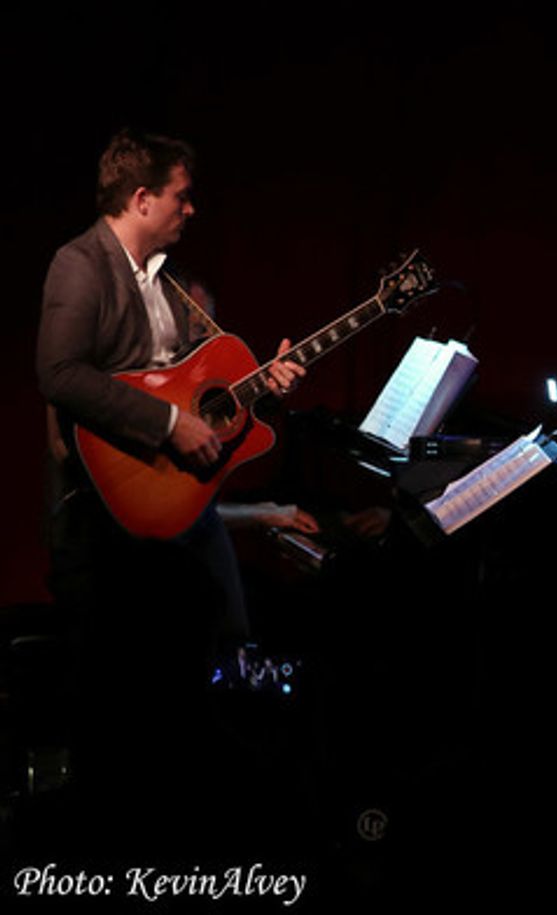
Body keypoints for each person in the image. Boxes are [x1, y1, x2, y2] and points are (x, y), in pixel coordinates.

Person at [34, 128, 304, 851]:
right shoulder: (79, 264)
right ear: (142, 196)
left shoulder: (172, 282)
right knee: (115, 711)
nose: (192, 209)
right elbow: (59, 374)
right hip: (104, 521)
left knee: (195, 693)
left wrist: (265, 390)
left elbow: (208, 400)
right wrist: (166, 425)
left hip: (176, 520)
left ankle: (197, 839)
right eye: (182, 196)